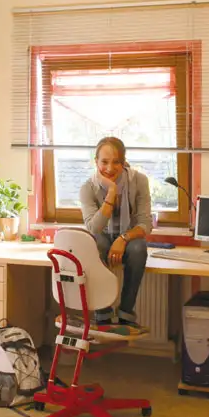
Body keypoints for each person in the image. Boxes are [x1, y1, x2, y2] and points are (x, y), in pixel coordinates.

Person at [79, 136, 152, 330]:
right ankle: (102, 313)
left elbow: (145, 224)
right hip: (102, 237)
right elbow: (94, 228)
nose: (110, 168)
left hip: (129, 238)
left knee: (138, 248)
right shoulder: (88, 187)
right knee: (98, 244)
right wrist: (111, 193)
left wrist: (123, 238)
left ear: (124, 162)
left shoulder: (139, 181)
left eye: (116, 162)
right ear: (96, 162)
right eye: (104, 162)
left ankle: (125, 313)